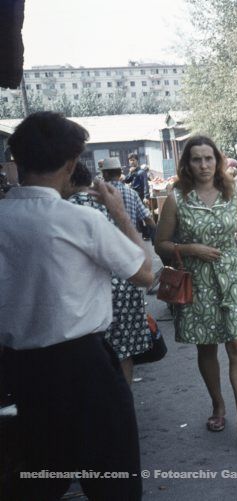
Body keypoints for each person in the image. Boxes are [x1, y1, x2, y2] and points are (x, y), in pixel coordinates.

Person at [0, 111, 153, 500]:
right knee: (112, 479)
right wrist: (120, 214)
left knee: (34, 477)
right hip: (83, 367)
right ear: (70, 165)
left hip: (17, 370)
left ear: (17, 161)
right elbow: (143, 273)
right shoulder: (79, 219)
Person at [154, 135, 237, 444]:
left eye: (209, 159)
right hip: (197, 279)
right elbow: (160, 244)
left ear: (217, 161)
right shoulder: (177, 199)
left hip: (232, 275)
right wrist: (189, 248)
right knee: (206, 346)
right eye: (197, 159)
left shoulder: (233, 194)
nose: (204, 165)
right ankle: (218, 405)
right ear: (187, 164)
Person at [66, 162, 150, 384]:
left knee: (94, 358)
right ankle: (125, 398)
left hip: (93, 293)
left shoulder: (66, 208)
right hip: (127, 283)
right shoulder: (112, 202)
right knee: (123, 354)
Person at [101, 158, 157, 239]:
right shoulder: (132, 193)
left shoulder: (99, 194)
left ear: (105, 174)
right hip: (130, 242)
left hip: (108, 241)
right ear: (120, 173)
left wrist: (146, 196)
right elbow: (147, 218)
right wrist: (158, 235)